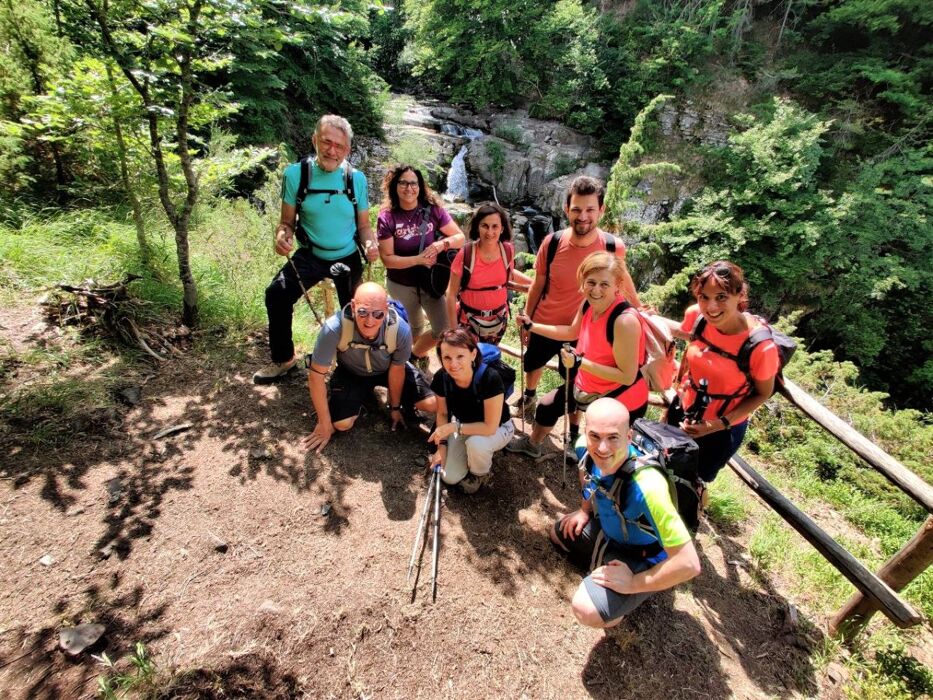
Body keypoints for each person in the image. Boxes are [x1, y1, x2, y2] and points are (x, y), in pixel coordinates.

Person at [550, 398, 701, 628]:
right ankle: (606, 569)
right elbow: (586, 473)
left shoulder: (648, 487)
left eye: (613, 437)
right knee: (557, 534)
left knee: (587, 610)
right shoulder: (583, 446)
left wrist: (633, 583)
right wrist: (584, 510)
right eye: (595, 436)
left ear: (628, 437)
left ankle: (625, 593)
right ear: (586, 432)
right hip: (612, 535)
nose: (602, 448)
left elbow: (689, 564)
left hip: (643, 554)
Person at [255, 115, 380, 384]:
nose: (332, 150)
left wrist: (371, 243)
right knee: (276, 294)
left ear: (347, 150)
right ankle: (284, 359)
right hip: (310, 254)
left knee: (358, 309)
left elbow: (364, 226)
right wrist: (281, 237)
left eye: (340, 146)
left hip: (346, 254)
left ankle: (354, 365)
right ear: (315, 140)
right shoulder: (295, 174)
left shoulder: (355, 179)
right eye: (326, 142)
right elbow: (286, 222)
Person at [514, 176, 641, 417]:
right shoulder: (552, 242)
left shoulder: (613, 247)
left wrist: (640, 309)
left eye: (590, 209)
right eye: (577, 209)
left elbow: (623, 282)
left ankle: (573, 427)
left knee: (576, 382)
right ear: (566, 209)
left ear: (601, 210)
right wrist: (528, 320)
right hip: (545, 321)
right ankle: (529, 396)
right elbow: (538, 283)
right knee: (533, 363)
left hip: (583, 332)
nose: (583, 216)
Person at [507, 251, 648, 461]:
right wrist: (532, 326)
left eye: (604, 284)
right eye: (591, 282)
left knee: (606, 452)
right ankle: (533, 444)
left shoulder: (624, 321)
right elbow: (571, 332)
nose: (596, 290)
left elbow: (627, 376)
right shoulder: (588, 305)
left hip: (620, 396)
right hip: (589, 384)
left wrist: (581, 362)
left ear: (618, 284)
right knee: (547, 407)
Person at [660, 261, 780, 483]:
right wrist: (639, 314)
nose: (711, 307)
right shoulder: (698, 317)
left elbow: (763, 393)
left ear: (739, 295)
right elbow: (685, 333)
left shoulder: (760, 346)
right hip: (683, 410)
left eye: (721, 297)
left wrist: (716, 425)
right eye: (704, 296)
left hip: (721, 430)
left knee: (693, 482)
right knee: (662, 464)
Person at [302, 282, 437, 454]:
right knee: (341, 424)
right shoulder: (334, 328)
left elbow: (397, 369)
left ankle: (392, 402)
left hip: (388, 369)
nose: (370, 320)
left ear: (386, 310)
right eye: (363, 312)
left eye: (378, 314)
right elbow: (316, 376)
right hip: (351, 373)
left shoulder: (400, 330)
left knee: (432, 404)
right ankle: (362, 398)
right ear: (353, 306)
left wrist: (394, 408)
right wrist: (324, 423)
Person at [377, 164, 466, 363]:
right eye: (403, 183)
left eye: (413, 183)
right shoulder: (387, 217)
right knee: (414, 327)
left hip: (430, 282)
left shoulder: (433, 210)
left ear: (420, 186)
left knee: (443, 329)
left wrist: (442, 244)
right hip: (401, 283)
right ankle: (409, 360)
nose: (409, 188)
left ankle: (414, 354)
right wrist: (418, 260)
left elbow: (460, 237)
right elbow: (388, 260)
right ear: (395, 186)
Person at [427, 328, 515, 494]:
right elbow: (443, 413)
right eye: (447, 357)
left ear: (473, 354)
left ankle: (479, 474)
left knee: (477, 443)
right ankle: (470, 455)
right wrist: (442, 447)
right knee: (449, 477)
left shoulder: (490, 378)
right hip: (465, 426)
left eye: (460, 356)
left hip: (498, 428)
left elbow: (489, 427)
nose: (453, 364)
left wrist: (454, 428)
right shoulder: (441, 378)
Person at [446, 202, 532, 345]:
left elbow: (509, 273)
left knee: (489, 360)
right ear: (477, 227)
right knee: (471, 363)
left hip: (498, 323)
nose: (490, 232)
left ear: (502, 228)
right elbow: (451, 294)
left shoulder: (507, 251)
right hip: (468, 323)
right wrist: (454, 332)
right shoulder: (466, 254)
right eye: (484, 226)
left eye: (495, 226)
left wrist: (534, 284)